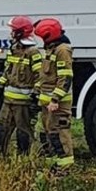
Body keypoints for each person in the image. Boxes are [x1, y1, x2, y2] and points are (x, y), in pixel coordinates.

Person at [0, 16, 44, 158]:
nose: (11, 33)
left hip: (23, 103)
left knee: (23, 134)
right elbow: (7, 71)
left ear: (20, 33)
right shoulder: (13, 49)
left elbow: (40, 76)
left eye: (13, 30)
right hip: (8, 101)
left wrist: (36, 96)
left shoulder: (33, 52)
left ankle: (23, 161)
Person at [34, 18, 75, 167]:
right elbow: (46, 75)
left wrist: (55, 99)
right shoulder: (51, 49)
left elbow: (65, 78)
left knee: (59, 134)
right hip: (48, 103)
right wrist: (37, 90)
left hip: (58, 104)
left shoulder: (62, 50)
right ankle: (53, 164)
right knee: (48, 133)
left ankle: (65, 167)